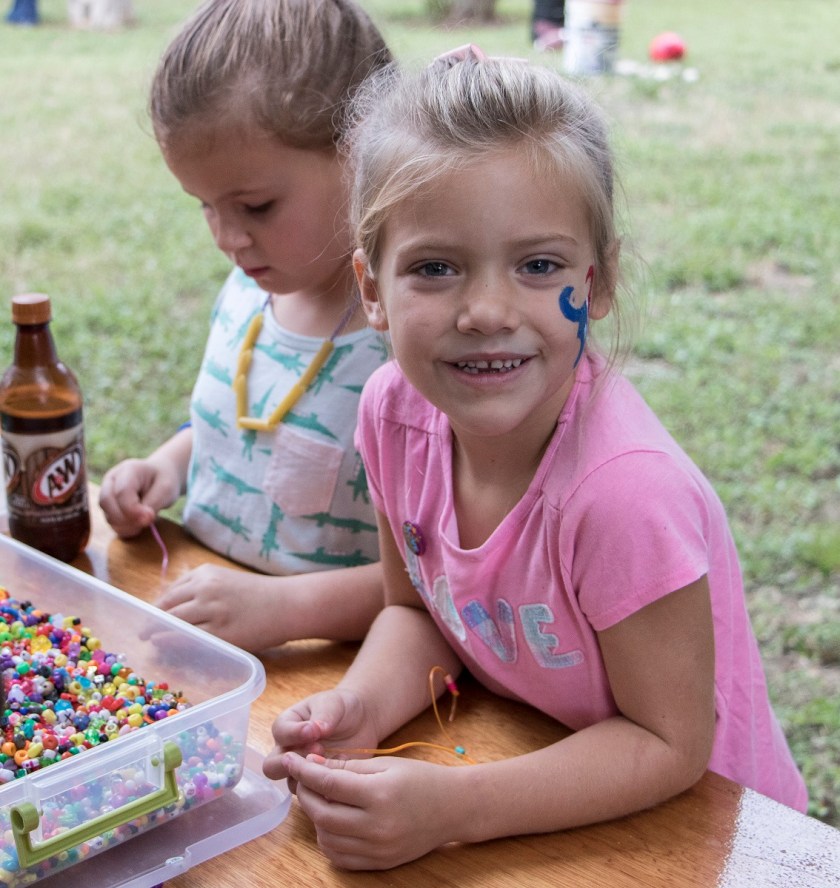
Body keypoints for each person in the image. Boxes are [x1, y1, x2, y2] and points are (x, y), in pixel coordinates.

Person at [262, 55, 808, 870]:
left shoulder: (624, 494)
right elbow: (422, 615)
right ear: (371, 287)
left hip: (709, 843)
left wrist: (454, 807)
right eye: (435, 268)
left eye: (539, 266)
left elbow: (669, 743)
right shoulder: (392, 417)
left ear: (600, 280)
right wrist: (359, 710)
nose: (487, 311)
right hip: (540, 784)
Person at [98, 0, 393, 653]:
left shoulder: (408, 346)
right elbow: (248, 431)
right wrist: (169, 465)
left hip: (331, 674)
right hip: (207, 641)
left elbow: (451, 579)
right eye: (205, 206)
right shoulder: (249, 289)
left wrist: (289, 609)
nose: (227, 238)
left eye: (256, 206)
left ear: (363, 151)